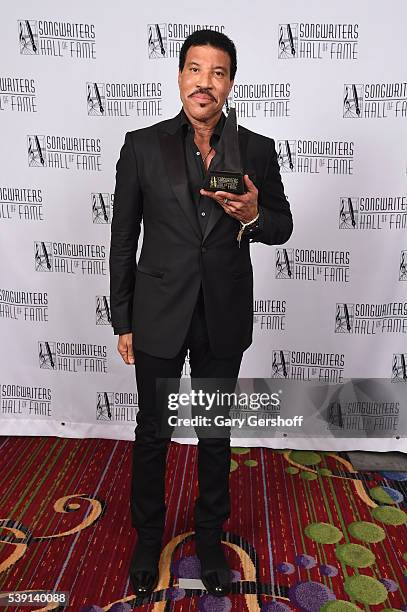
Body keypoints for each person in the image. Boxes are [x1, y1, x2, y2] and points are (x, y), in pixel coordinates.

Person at [109, 29, 293, 599]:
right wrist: (124, 319)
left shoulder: (257, 149)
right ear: (180, 77)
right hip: (160, 311)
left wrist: (256, 212)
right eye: (195, 70)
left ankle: (210, 538)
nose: (204, 83)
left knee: (215, 434)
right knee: (153, 432)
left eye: (217, 73)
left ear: (230, 83)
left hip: (223, 313)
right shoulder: (141, 146)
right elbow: (123, 238)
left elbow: (282, 228)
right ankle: (147, 539)